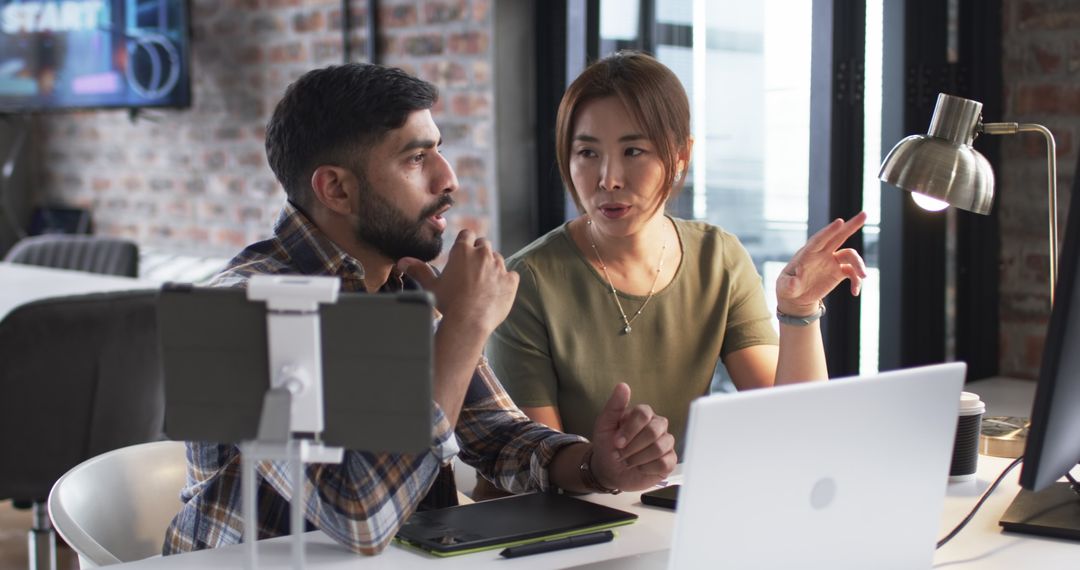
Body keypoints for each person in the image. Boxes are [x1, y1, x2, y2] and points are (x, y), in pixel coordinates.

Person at [162, 62, 678, 556]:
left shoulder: (401, 287)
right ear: (336, 188)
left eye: (439, 151)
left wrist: (596, 465)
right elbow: (362, 518)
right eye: (415, 159)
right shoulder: (235, 314)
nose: (447, 179)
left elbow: (497, 438)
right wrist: (465, 324)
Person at [487, 51, 867, 450]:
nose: (609, 179)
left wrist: (799, 309)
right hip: (577, 510)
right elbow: (539, 464)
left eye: (633, 151)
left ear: (681, 154)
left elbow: (794, 429)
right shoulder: (525, 283)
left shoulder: (717, 259)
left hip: (680, 506)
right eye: (587, 153)